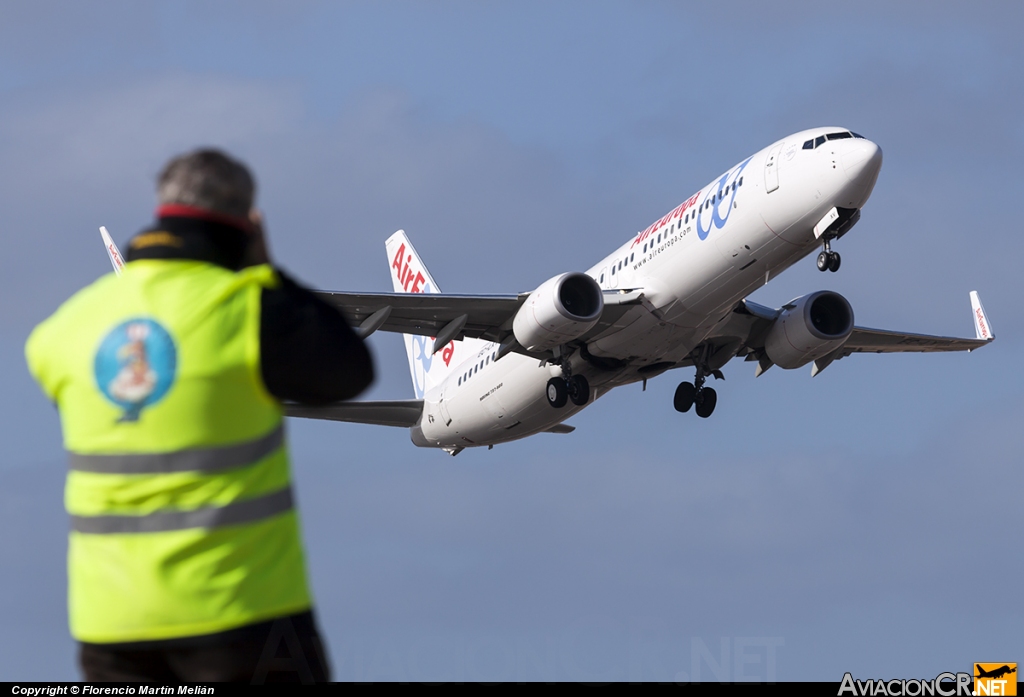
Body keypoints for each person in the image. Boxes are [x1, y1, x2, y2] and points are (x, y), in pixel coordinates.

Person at [25, 149, 373, 682]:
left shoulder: (65, 330)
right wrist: (266, 271)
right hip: (241, 616)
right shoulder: (245, 312)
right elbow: (347, 372)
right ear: (246, 223)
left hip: (111, 630)